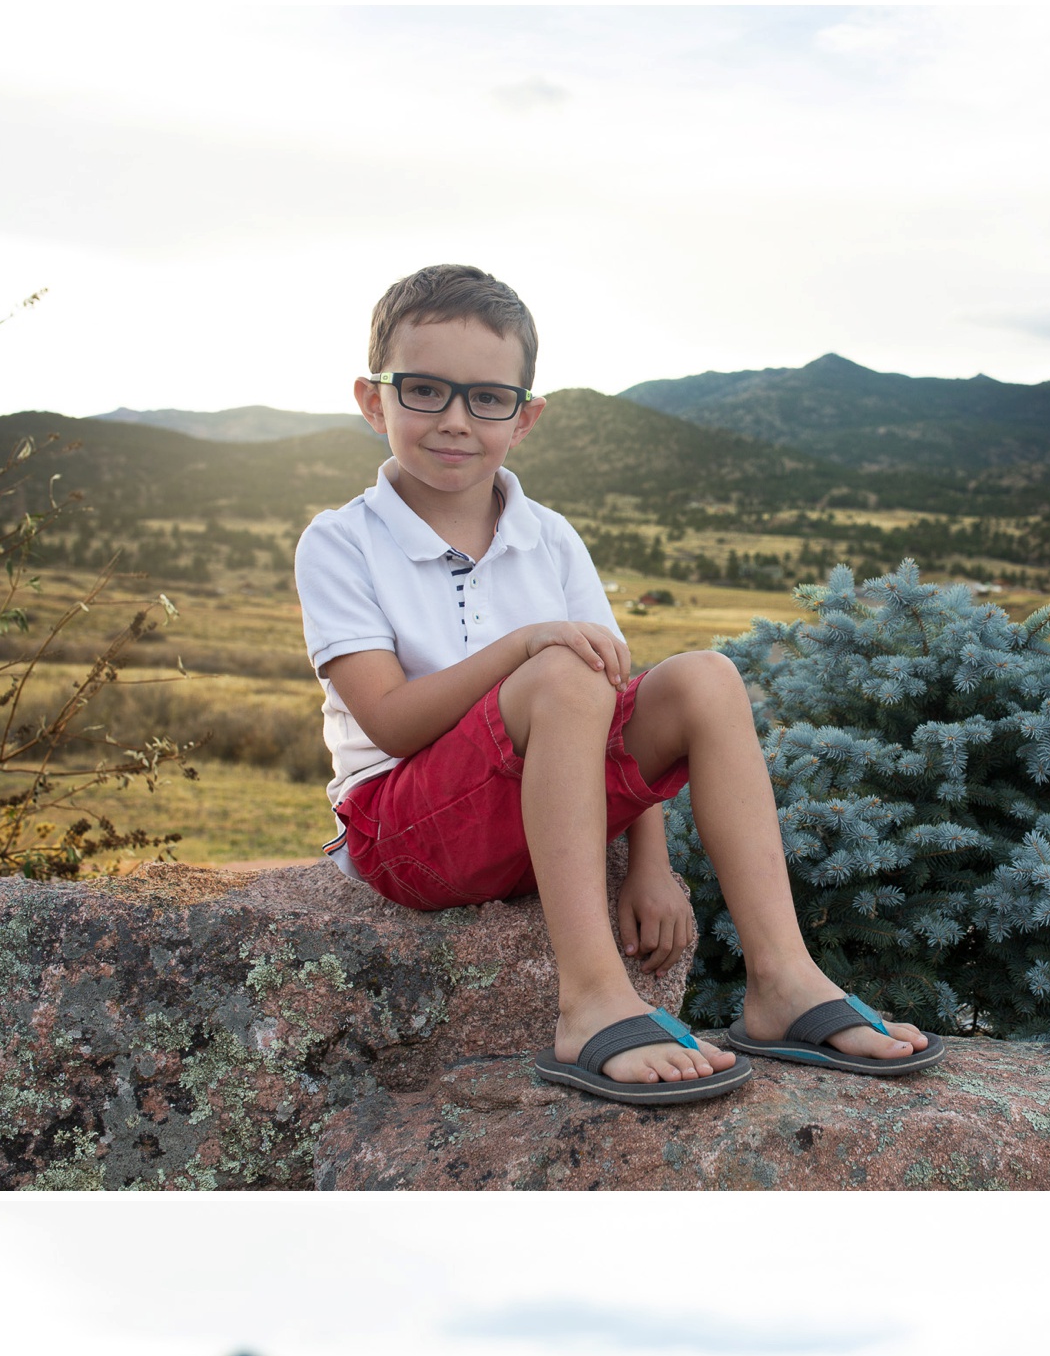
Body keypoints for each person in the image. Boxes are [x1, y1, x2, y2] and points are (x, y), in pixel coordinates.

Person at [295, 261, 942, 1106]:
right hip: (403, 830)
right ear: (372, 399)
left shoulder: (550, 538)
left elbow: (613, 710)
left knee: (702, 678)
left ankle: (782, 982)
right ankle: (593, 1002)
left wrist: (649, 862)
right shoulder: (342, 541)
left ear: (524, 418)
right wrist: (524, 646)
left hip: (535, 818)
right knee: (564, 669)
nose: (455, 420)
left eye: (487, 398)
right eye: (424, 391)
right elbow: (385, 720)